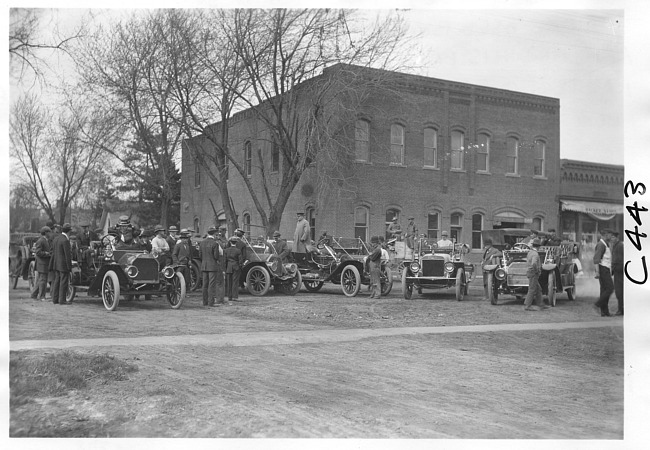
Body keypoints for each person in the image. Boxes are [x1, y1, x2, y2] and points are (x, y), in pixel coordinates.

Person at [200, 226, 225, 307]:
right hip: (212, 266)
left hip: (204, 266)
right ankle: (211, 302)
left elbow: (200, 255)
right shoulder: (215, 243)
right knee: (211, 284)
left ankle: (205, 302)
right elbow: (216, 256)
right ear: (214, 234)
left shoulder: (202, 243)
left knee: (205, 284)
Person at [49, 223, 73, 305]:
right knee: (63, 282)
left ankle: (55, 299)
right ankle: (62, 300)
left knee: (57, 281)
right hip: (63, 265)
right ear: (69, 232)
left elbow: (53, 252)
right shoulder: (65, 240)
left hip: (56, 264)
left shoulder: (56, 239)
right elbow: (67, 255)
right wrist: (69, 267)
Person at [593, 229, 614, 317]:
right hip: (603, 269)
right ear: (605, 235)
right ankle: (598, 304)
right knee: (610, 288)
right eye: (610, 235)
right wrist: (597, 272)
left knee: (604, 290)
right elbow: (596, 259)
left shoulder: (606, 244)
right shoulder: (601, 245)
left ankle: (604, 311)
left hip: (606, 268)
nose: (611, 237)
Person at [523, 238, 547, 311]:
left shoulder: (530, 252)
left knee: (538, 289)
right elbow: (534, 263)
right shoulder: (535, 254)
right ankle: (527, 305)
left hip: (530, 272)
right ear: (539, 246)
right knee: (532, 289)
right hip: (533, 273)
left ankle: (541, 304)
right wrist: (537, 270)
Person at [31, 226, 52, 301]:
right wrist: (47, 254)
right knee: (43, 281)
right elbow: (38, 252)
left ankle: (34, 294)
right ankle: (42, 296)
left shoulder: (45, 240)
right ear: (46, 233)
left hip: (43, 264)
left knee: (41, 280)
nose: (50, 233)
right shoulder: (41, 241)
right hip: (42, 264)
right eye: (49, 232)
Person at [481, 238, 502, 302]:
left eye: (486, 245)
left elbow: (500, 254)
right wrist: (482, 262)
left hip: (491, 268)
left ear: (490, 245)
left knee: (489, 282)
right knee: (485, 283)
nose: (485, 246)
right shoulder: (485, 251)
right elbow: (484, 258)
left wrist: (493, 255)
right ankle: (486, 296)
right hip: (484, 267)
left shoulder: (495, 250)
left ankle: (489, 296)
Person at [224, 236, 243, 302]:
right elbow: (240, 261)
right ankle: (235, 296)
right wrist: (240, 266)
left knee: (229, 282)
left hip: (229, 267)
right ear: (236, 243)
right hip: (236, 267)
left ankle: (229, 297)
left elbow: (225, 260)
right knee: (235, 282)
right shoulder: (238, 251)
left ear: (230, 242)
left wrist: (225, 268)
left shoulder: (226, 250)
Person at [609, 230, 623, 316]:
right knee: (618, 291)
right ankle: (621, 309)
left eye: (613, 237)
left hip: (620, 271)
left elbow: (620, 260)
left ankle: (621, 310)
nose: (611, 239)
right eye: (611, 237)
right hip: (617, 271)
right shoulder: (616, 245)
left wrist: (615, 268)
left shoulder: (620, 246)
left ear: (617, 238)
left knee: (619, 291)